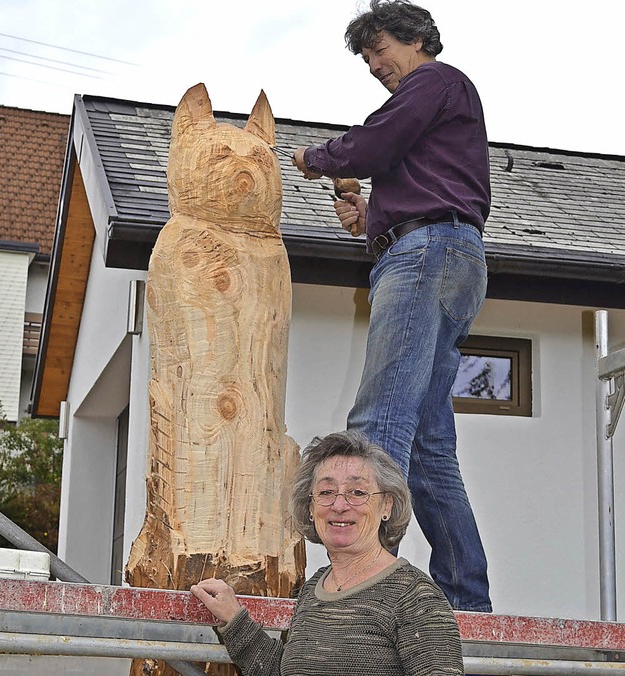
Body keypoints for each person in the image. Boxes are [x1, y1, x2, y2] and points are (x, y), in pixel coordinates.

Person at [292, 0, 492, 612]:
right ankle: (467, 601)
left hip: (426, 252)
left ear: (416, 39)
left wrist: (315, 158)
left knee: (377, 426)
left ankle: (365, 592)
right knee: (429, 448)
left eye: (379, 49)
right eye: (368, 58)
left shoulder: (436, 79)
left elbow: (373, 143)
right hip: (443, 251)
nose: (375, 65)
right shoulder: (438, 104)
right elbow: (397, 165)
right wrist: (370, 218)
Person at [191, 430, 463, 675]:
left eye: (357, 492)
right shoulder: (314, 590)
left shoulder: (415, 596)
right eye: (326, 491)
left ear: (387, 506)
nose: (339, 505)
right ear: (310, 508)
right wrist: (234, 618)